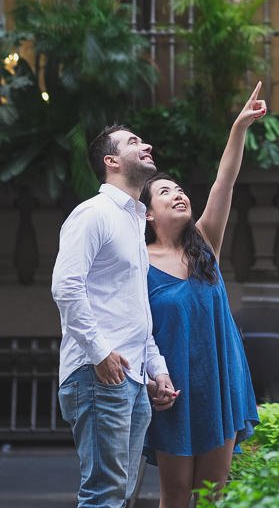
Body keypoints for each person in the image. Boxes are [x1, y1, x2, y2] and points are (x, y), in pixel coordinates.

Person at [140, 82, 265, 508]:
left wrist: (239, 128)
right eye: (164, 191)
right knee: (175, 496)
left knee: (213, 495)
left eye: (178, 188)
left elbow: (223, 184)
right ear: (148, 214)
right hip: (174, 391)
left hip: (219, 382)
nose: (177, 193)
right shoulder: (137, 263)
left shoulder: (205, 244)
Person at [52, 124, 178, 508]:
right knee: (104, 495)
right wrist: (99, 353)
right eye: (133, 143)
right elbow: (66, 287)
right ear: (111, 161)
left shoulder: (133, 220)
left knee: (120, 496)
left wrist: (157, 369)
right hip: (99, 375)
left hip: (134, 376)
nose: (147, 144)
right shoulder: (93, 214)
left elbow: (133, 310)